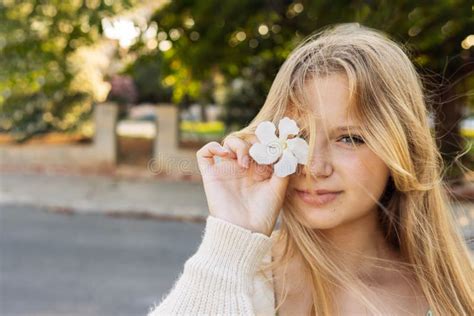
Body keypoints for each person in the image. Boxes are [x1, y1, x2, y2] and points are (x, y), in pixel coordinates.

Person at [148, 23, 473, 315]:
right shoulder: (241, 279)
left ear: (400, 148)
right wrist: (232, 234)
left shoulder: (454, 291)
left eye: (349, 138)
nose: (314, 167)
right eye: (298, 136)